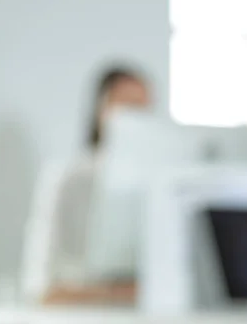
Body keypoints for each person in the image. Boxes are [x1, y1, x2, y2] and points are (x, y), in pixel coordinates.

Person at [20, 63, 151, 306]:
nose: (137, 121)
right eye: (128, 108)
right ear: (101, 110)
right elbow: (40, 287)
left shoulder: (156, 189)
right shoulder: (68, 180)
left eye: (144, 110)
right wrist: (119, 292)